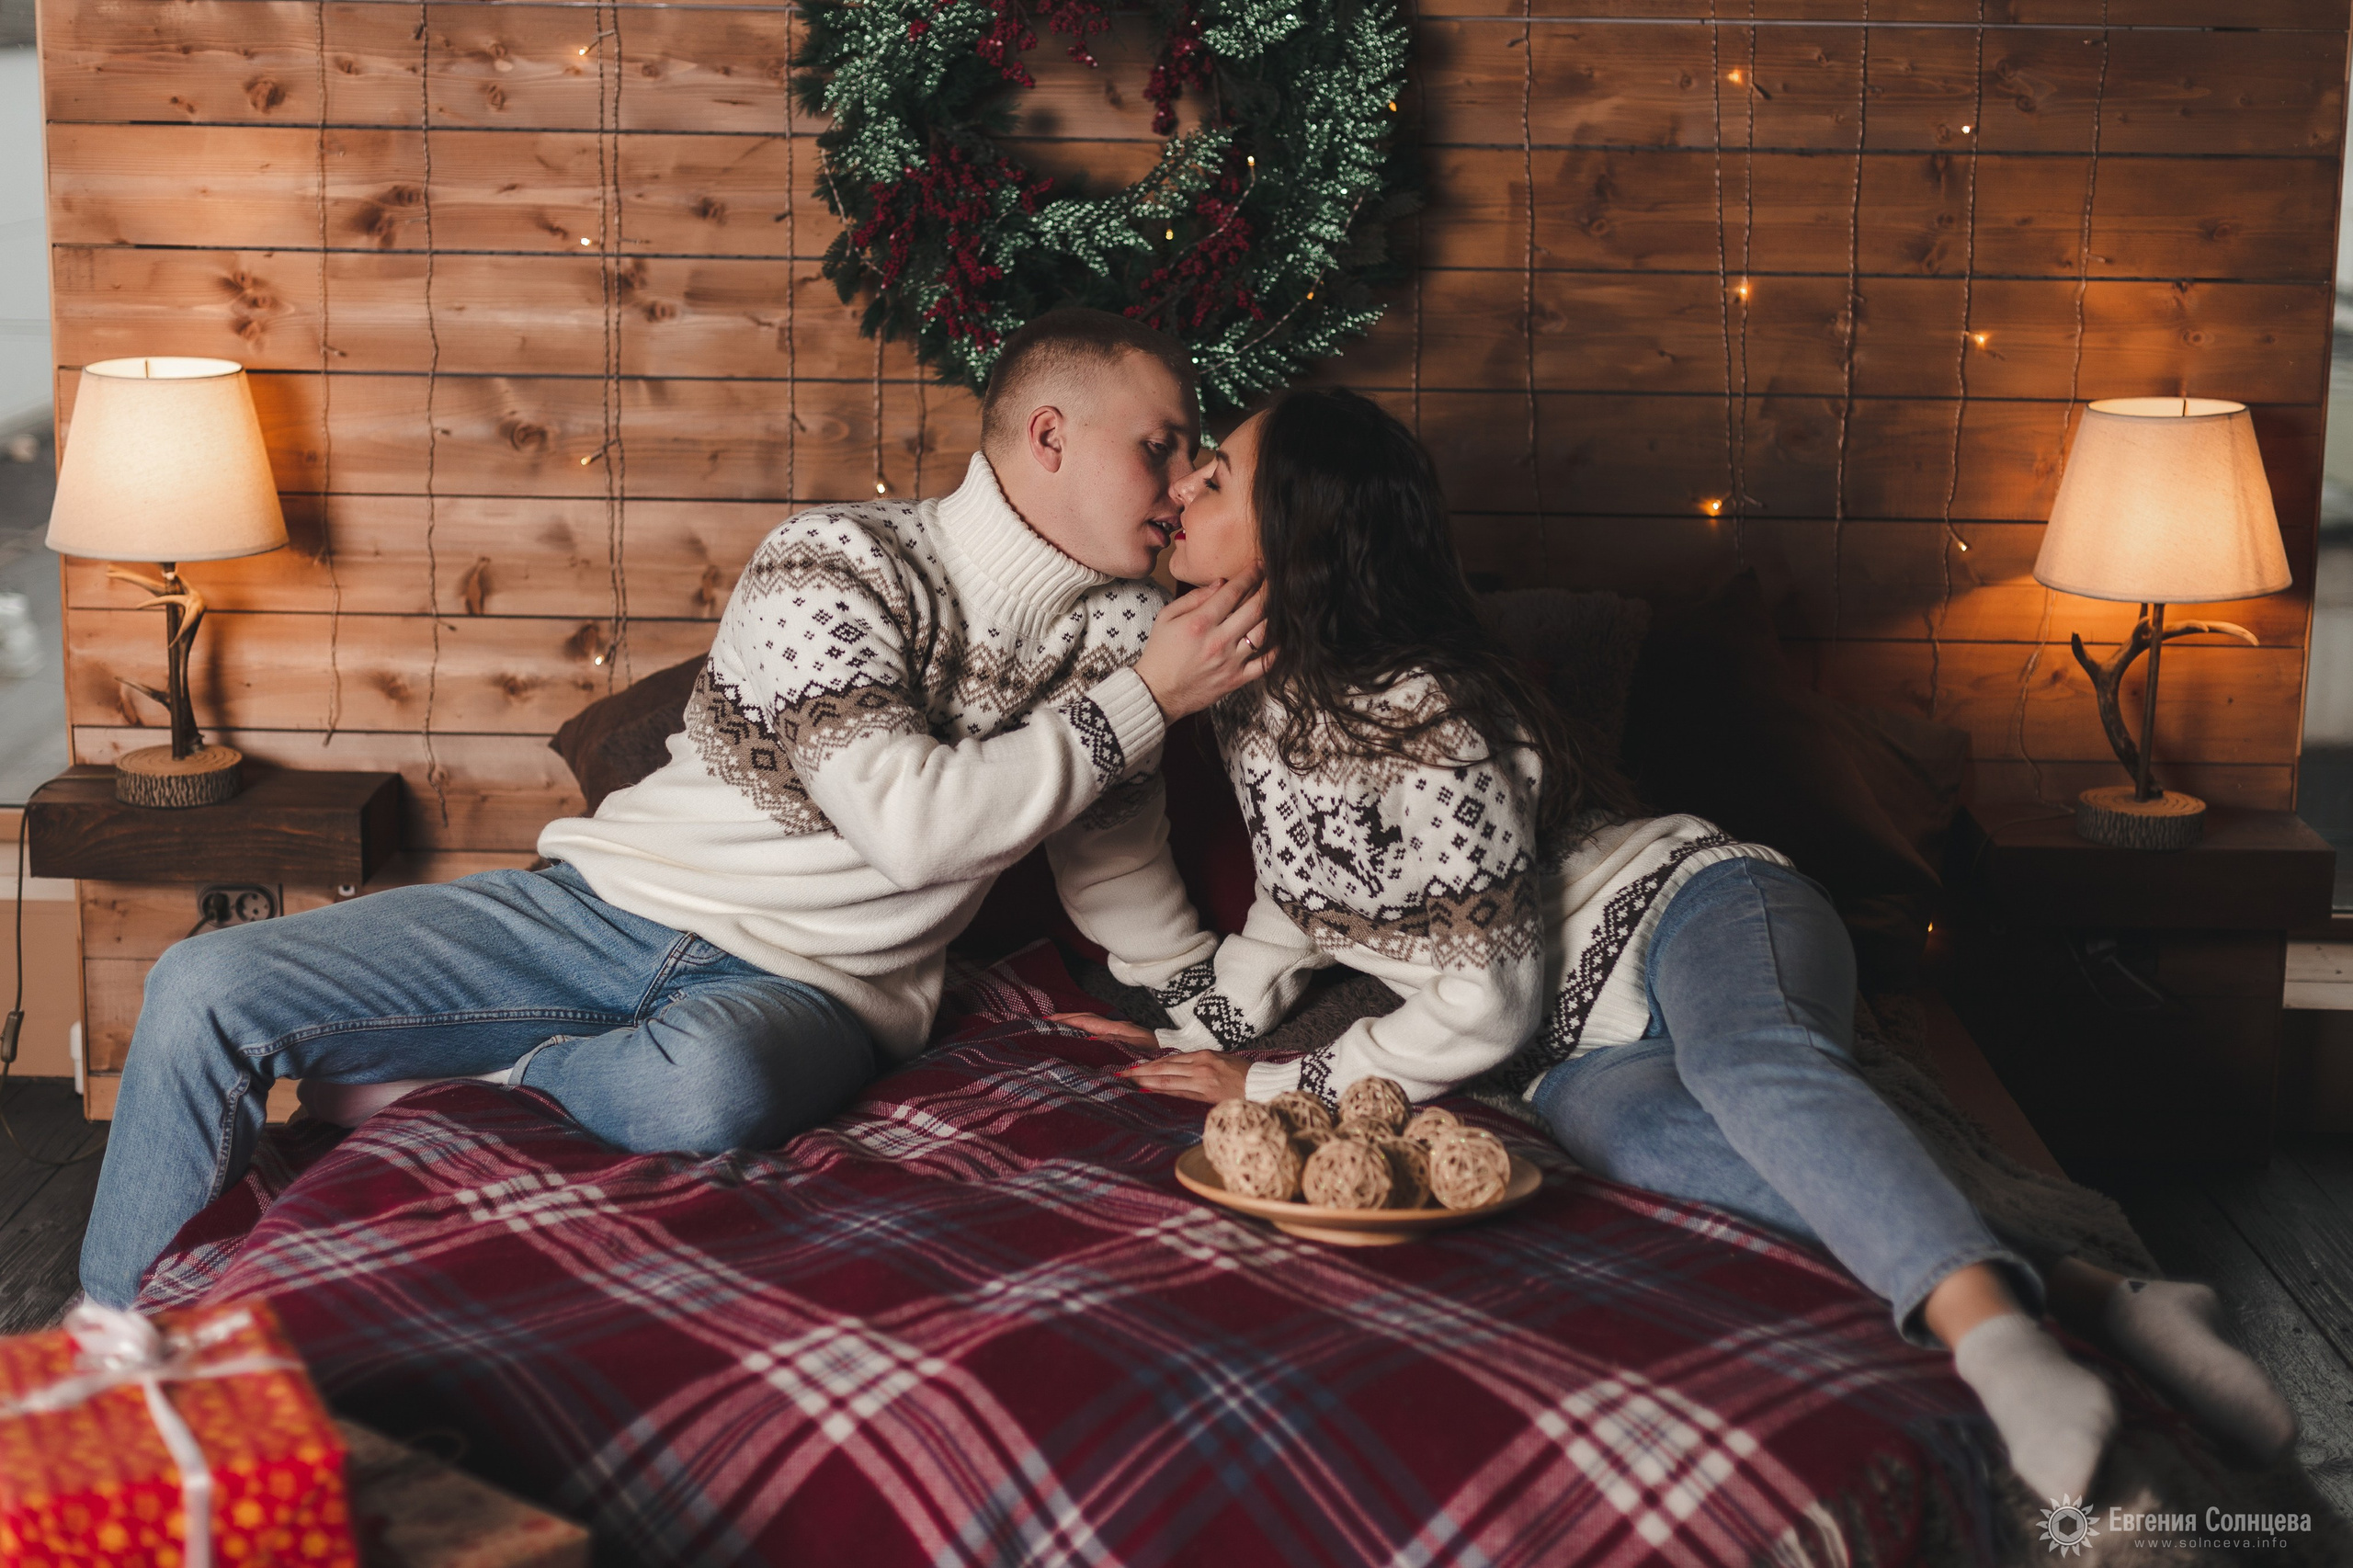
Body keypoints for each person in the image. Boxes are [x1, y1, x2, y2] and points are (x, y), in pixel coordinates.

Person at [1067, 385, 2297, 1503]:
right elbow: (1293, 911)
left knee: (1753, 1068)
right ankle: (2106, 1297)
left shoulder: (1438, 717)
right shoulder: (1254, 710)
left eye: (1214, 477)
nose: (1182, 491)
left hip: (1697, 909)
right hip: (1577, 1053)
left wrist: (1283, 1082)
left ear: (1300, 532)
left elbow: (1484, 1004)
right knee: (1663, 1145)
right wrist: (1175, 1033)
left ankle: (2002, 1347)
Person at [79, 308, 1261, 1309]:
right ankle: (107, 1350)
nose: (1182, 483)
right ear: (1050, 436)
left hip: (817, 989)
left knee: (712, 1086)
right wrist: (1149, 697)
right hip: (602, 908)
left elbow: (1112, 859)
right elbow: (911, 827)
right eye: (1159, 445)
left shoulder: (1129, 636)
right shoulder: (838, 558)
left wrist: (1217, 1022)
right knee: (202, 986)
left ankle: (474, 1087)